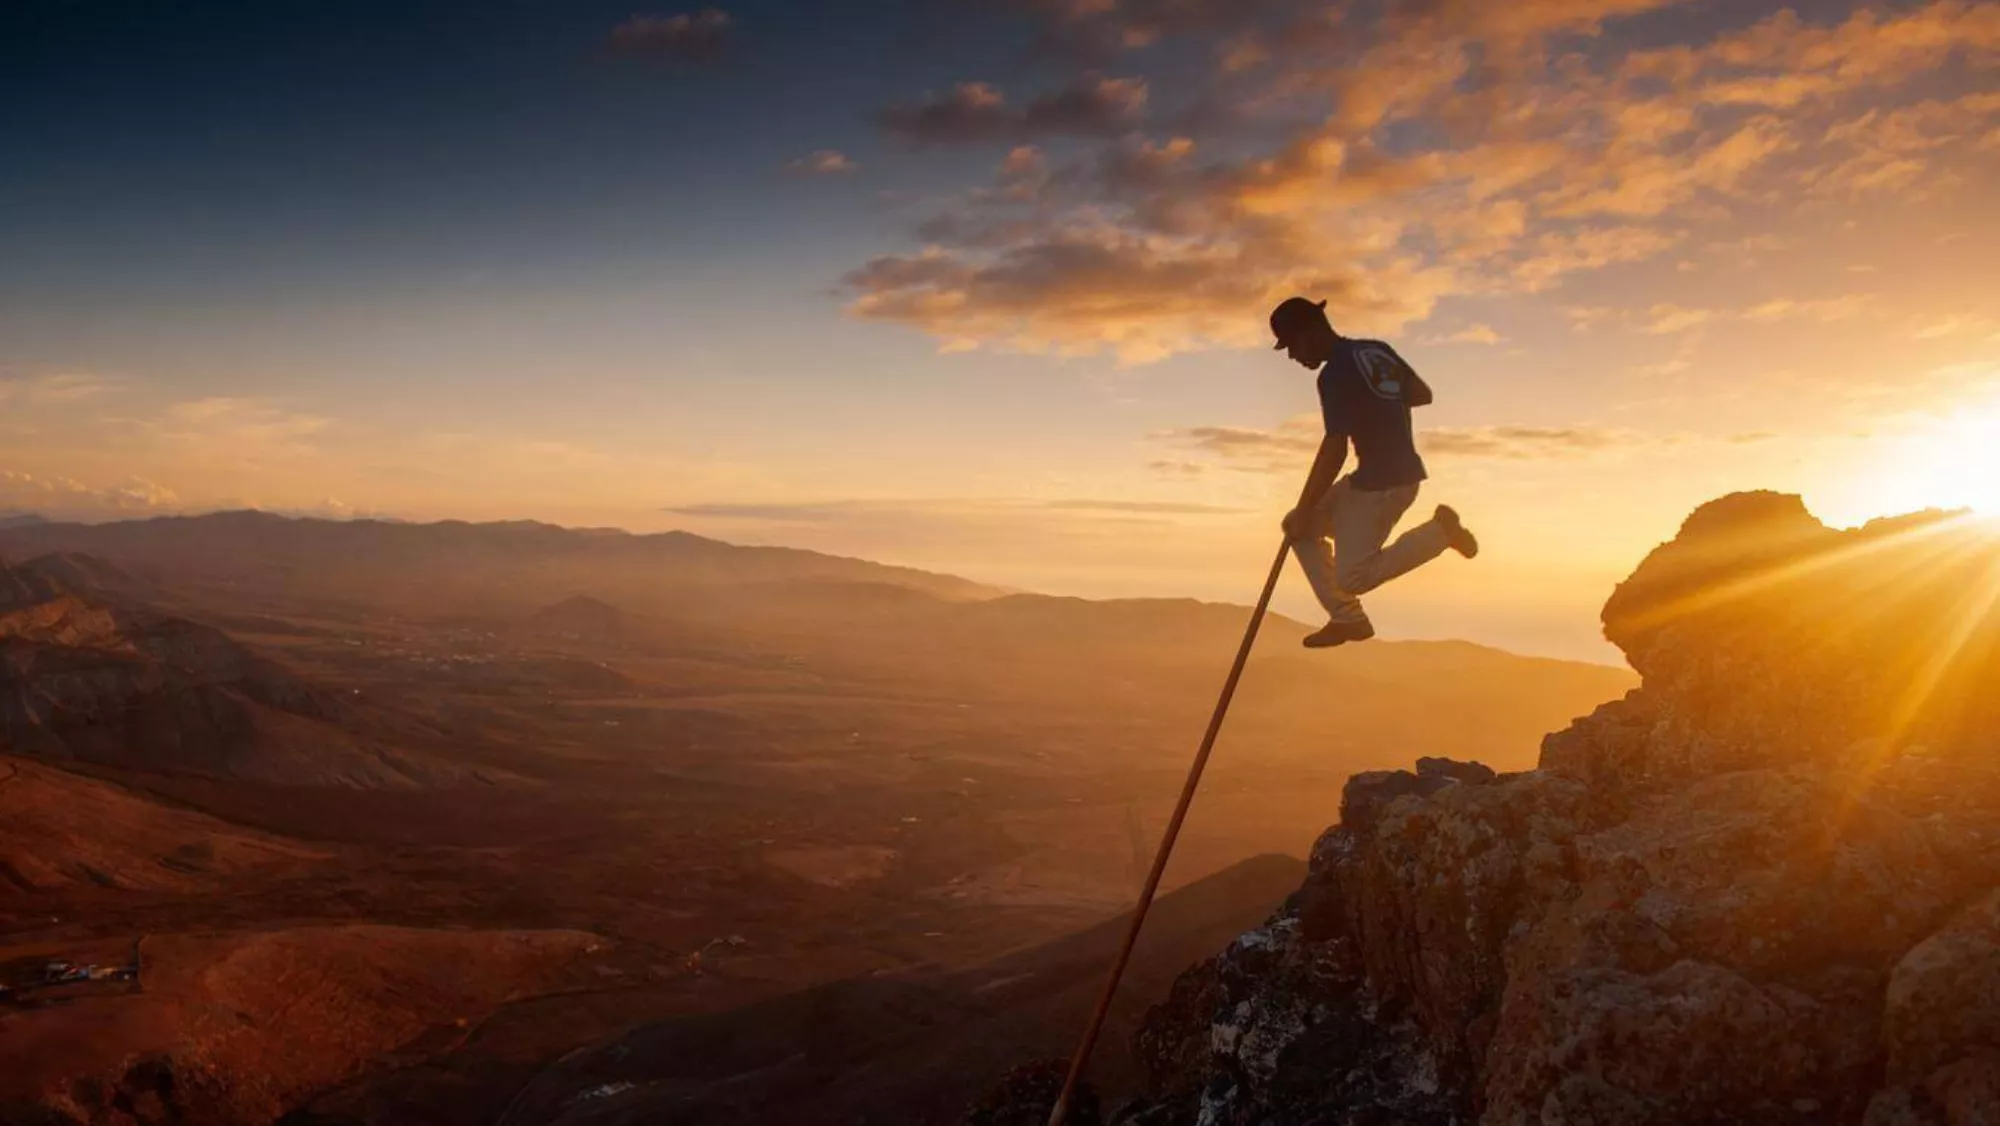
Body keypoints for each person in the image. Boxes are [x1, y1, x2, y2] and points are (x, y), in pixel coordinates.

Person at [1269, 296, 1478, 648]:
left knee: (1352, 576)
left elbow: (1334, 448)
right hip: (1373, 478)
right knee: (1299, 529)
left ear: (1309, 332)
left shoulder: (1334, 374)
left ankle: (1441, 533)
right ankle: (1348, 618)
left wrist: (1308, 507)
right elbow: (1420, 394)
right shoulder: (1373, 350)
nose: (1292, 356)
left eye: (1291, 345)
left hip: (1385, 486)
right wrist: (1380, 405)